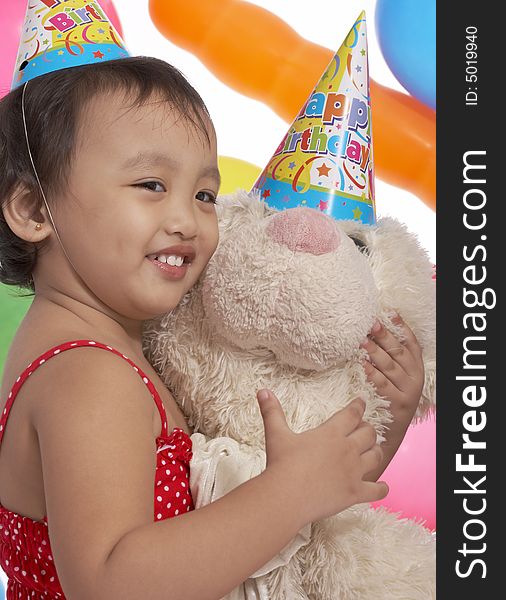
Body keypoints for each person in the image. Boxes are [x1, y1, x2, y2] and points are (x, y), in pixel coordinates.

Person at [0, 6, 423, 600]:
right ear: (34, 210)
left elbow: (254, 533)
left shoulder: (120, 350)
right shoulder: (87, 376)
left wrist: (380, 424)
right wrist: (288, 493)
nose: (187, 219)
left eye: (204, 193)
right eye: (151, 185)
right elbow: (108, 582)